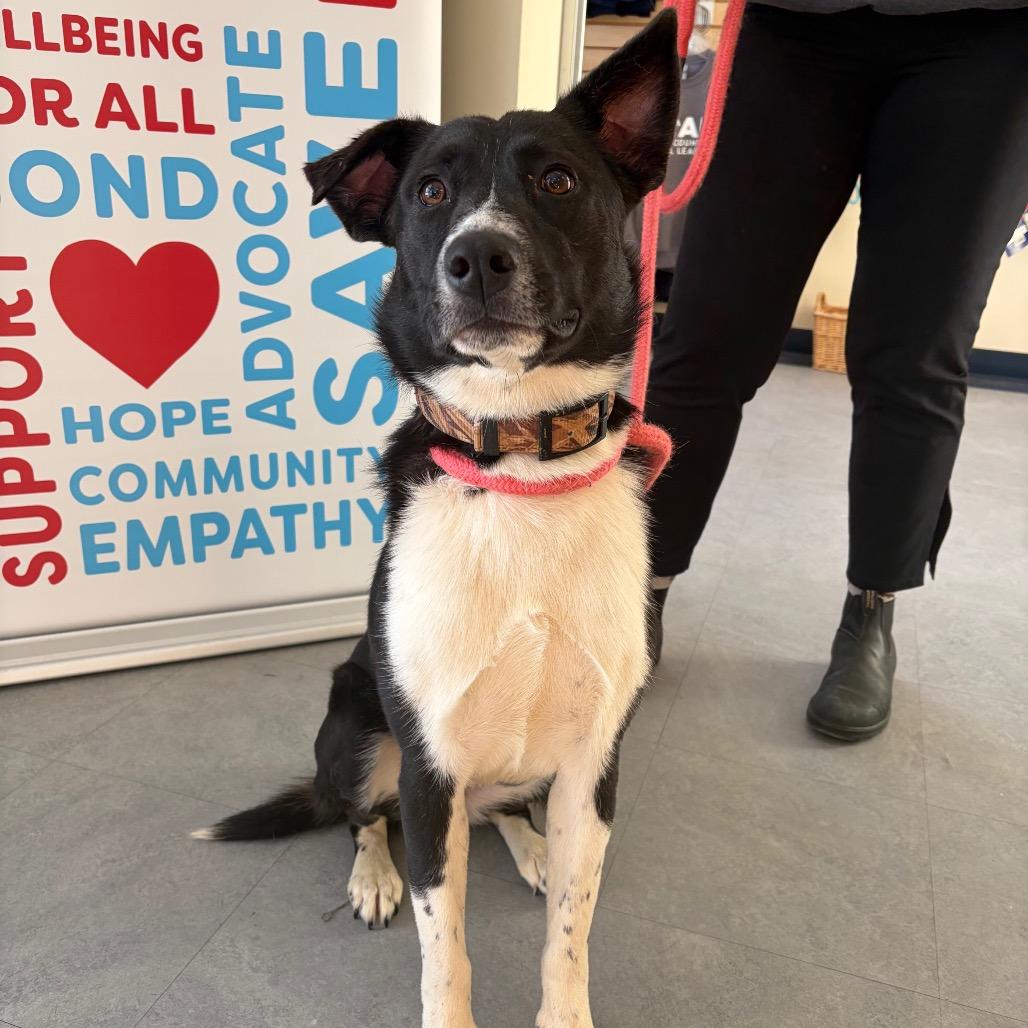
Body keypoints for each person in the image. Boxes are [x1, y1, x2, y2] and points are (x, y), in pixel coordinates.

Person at [644, 1, 1028, 740]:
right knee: (708, 338)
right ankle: (641, 587)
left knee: (914, 358)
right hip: (793, 26)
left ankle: (871, 614)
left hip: (991, 36)